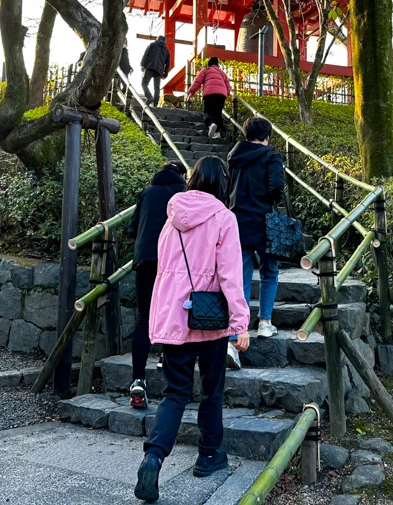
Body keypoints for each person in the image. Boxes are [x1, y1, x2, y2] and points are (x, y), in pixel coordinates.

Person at [134, 156, 251, 503]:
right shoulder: (223, 218)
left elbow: (166, 271)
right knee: (212, 390)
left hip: (176, 318)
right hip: (210, 319)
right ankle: (209, 455)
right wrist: (240, 323)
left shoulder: (172, 219)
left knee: (175, 392)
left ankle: (153, 456)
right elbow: (231, 274)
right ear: (222, 183)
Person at [125, 160, 187, 409]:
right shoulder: (184, 196)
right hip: (174, 264)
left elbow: (132, 228)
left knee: (143, 318)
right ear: (183, 176)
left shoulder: (146, 193)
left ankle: (138, 380)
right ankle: (172, 380)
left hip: (145, 261)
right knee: (174, 316)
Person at [226, 116, 285, 369]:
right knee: (270, 271)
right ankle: (264, 322)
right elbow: (277, 187)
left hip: (238, 221)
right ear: (267, 136)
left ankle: (236, 331)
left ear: (245, 133)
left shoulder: (234, 157)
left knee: (241, 276)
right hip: (265, 222)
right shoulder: (271, 156)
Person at [187, 57, 231, 139]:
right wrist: (225, 94)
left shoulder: (206, 70)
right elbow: (228, 86)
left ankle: (211, 124)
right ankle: (217, 133)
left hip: (209, 94)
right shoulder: (222, 73)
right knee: (218, 113)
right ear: (217, 65)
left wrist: (191, 92)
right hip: (221, 95)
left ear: (209, 63)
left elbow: (197, 81)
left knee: (207, 111)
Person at [140, 35, 170, 107]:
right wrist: (165, 74)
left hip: (150, 67)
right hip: (159, 70)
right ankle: (155, 104)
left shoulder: (152, 44)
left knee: (144, 83)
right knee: (156, 88)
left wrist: (142, 65)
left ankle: (149, 97)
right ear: (164, 41)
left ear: (157, 39)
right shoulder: (167, 50)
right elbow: (168, 63)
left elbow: (146, 54)